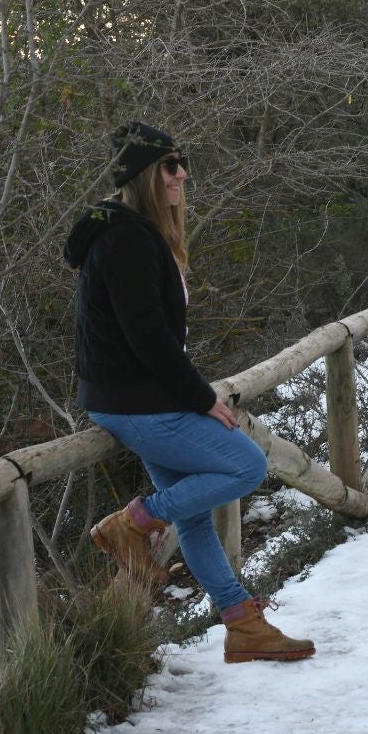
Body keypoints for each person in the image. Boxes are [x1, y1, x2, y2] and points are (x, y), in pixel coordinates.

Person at [65, 121, 315, 664]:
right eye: (172, 166)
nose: (184, 175)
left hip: (137, 393)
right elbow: (148, 339)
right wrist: (202, 397)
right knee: (245, 467)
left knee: (196, 515)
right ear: (145, 175)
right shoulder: (125, 237)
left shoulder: (136, 232)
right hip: (132, 398)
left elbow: (151, 339)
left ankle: (243, 625)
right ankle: (129, 524)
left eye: (184, 163)